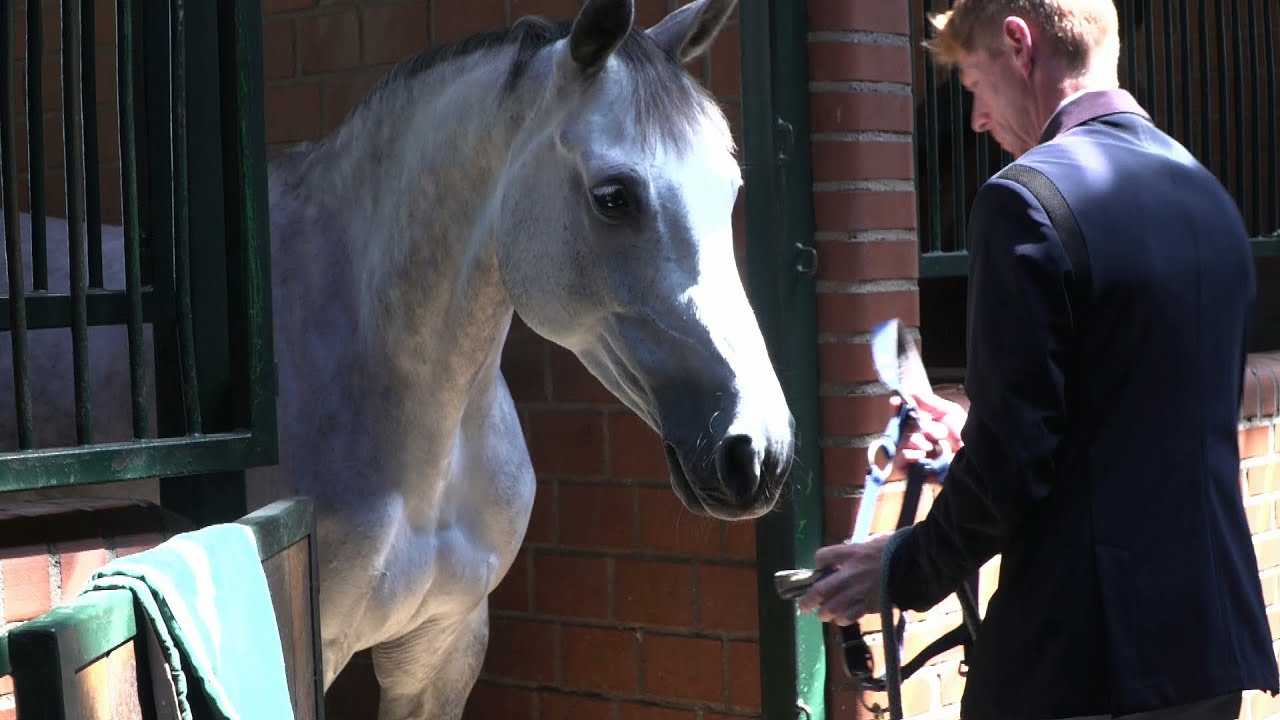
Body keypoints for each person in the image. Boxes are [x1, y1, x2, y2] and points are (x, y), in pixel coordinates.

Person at [796, 0, 1280, 718]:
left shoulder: (1024, 201)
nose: (978, 121)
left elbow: (1016, 463)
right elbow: (1126, 420)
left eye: (973, 86)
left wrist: (904, 567)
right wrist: (974, 444)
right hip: (1209, 657)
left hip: (1082, 667)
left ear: (1019, 47)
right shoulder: (1211, 198)